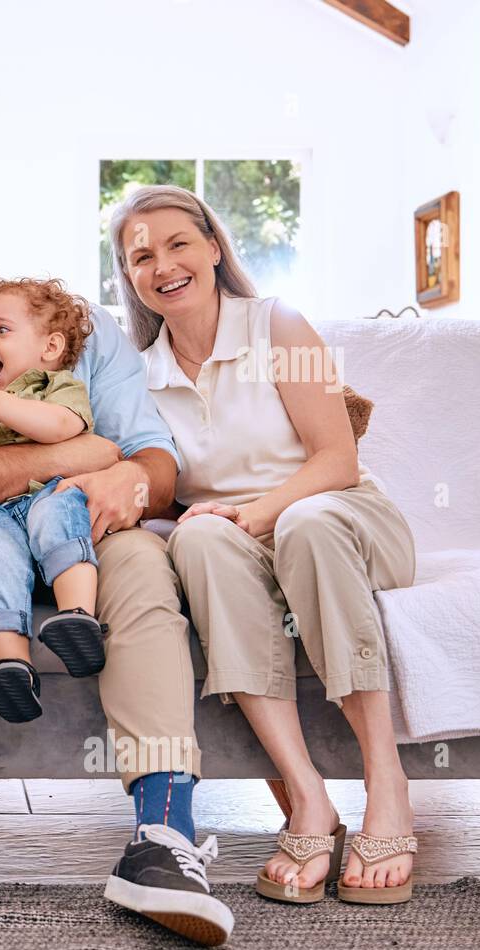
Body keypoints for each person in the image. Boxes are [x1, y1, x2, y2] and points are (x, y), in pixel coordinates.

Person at [0, 160, 234, 945]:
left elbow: (155, 460)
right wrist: (77, 452)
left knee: (136, 556)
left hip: (75, 534)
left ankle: (164, 832)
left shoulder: (74, 325)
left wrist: (125, 473)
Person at [109, 184, 418, 905]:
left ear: (214, 247)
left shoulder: (277, 324)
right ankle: (307, 800)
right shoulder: (139, 375)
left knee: (301, 525)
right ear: (130, 278)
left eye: (179, 244)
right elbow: (161, 488)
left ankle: (388, 784)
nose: (163, 265)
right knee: (198, 542)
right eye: (141, 256)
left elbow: (335, 460)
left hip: (343, 516)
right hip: (249, 545)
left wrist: (258, 514)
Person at [0, 279, 105, 723]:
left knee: (59, 508)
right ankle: (14, 664)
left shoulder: (57, 384)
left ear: (49, 347)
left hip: (48, 494)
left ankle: (78, 617)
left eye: (2, 331)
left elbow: (59, 429)